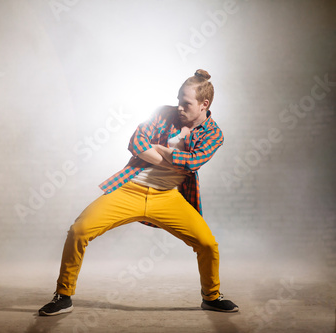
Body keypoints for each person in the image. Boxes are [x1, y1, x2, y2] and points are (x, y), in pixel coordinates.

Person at [38, 69, 239, 316]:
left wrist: (159, 149)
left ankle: (212, 297)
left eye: (186, 103)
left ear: (204, 104)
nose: (179, 107)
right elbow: (136, 142)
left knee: (207, 244)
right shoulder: (164, 112)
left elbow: (193, 163)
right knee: (79, 231)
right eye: (178, 100)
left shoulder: (213, 133)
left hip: (168, 198)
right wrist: (172, 158)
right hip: (130, 189)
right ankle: (63, 295)